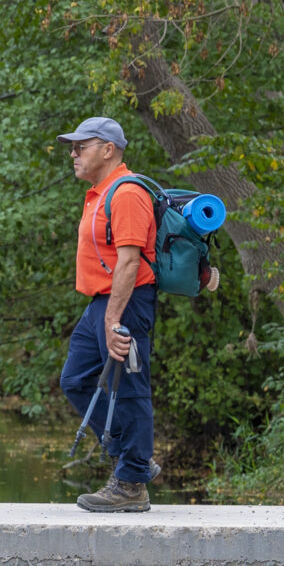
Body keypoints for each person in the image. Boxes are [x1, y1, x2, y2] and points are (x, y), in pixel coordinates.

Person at [57, 116, 171, 512]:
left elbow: (129, 261)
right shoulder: (98, 192)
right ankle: (132, 456)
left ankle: (131, 483)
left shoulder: (126, 193)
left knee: (129, 387)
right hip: (100, 303)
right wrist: (102, 315)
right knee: (74, 379)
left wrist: (113, 319)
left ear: (108, 150)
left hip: (126, 302)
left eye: (80, 146)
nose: (72, 154)